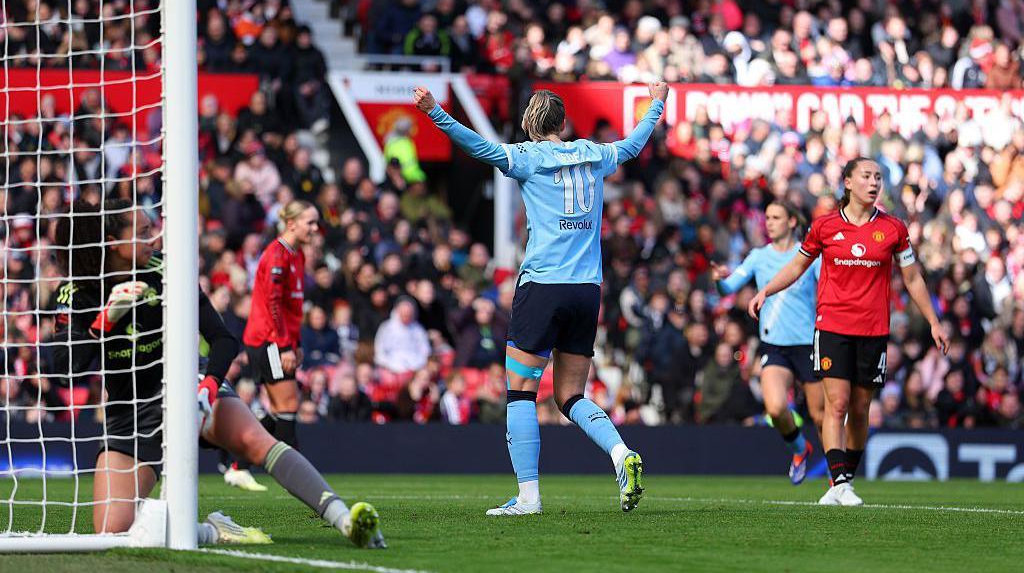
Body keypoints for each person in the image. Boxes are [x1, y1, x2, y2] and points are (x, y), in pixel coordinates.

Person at [51, 200, 384, 547]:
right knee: (111, 531)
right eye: (144, 233)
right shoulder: (77, 293)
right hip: (128, 410)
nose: (155, 239)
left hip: (183, 387)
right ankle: (214, 530)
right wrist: (104, 321)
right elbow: (63, 372)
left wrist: (209, 384)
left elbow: (223, 339)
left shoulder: (164, 271)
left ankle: (347, 521)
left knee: (258, 443)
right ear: (113, 242)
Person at [414, 81, 668, 515]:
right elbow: (633, 144)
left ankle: (528, 497)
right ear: (564, 123)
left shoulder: (527, 157)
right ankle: (620, 453)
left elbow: (478, 146)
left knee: (520, 394)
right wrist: (657, 102)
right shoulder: (594, 154)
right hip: (587, 291)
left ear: (532, 123)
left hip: (543, 287)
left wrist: (435, 111)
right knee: (570, 395)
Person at [748, 158, 949, 506]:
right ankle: (839, 480)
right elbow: (797, 264)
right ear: (848, 183)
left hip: (873, 330)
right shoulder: (824, 226)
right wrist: (766, 290)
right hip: (832, 326)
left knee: (860, 409)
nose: (874, 183)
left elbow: (913, 277)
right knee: (836, 404)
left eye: (878, 177)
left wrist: (933, 320)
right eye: (866, 176)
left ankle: (842, 482)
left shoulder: (893, 229)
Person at [711, 201, 823, 484]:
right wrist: (718, 279)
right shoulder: (758, 257)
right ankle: (800, 449)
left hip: (808, 344)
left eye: (776, 217)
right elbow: (728, 287)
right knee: (775, 408)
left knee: (821, 416)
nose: (769, 222)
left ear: (792, 222)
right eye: (768, 218)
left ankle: (839, 477)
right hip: (774, 346)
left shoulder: (810, 256)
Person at [228, 200, 317, 491]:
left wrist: (297, 342)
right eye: (310, 223)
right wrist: (284, 346)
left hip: (279, 340)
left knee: (283, 409)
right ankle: (297, 475)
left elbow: (293, 307)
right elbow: (274, 305)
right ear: (291, 223)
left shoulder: (297, 254)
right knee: (288, 406)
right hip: (268, 340)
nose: (315, 229)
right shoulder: (277, 256)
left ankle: (239, 463)